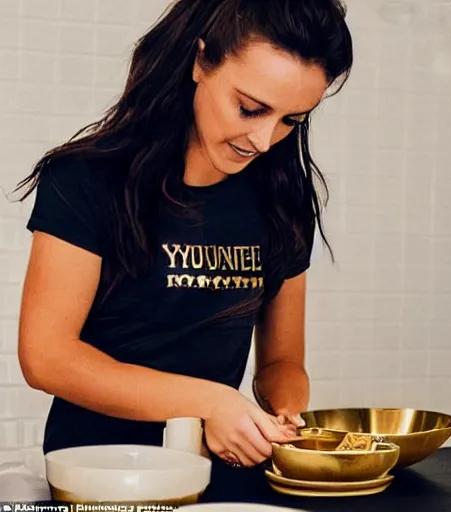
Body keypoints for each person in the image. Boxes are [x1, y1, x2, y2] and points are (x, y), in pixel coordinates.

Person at [15, 0, 353, 476]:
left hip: (217, 475)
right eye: (250, 108)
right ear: (200, 61)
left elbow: (281, 360)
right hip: (98, 476)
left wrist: (283, 412)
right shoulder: (86, 181)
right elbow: (46, 357)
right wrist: (210, 401)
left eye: (290, 121)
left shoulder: (282, 199)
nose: (263, 139)